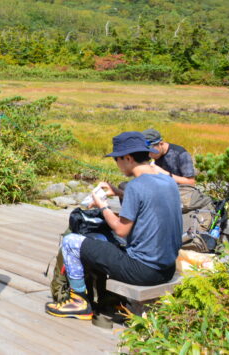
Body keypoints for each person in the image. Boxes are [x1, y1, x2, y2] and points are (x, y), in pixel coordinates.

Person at [46, 131, 182, 320]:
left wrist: (103, 206)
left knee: (71, 242)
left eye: (116, 160)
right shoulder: (167, 181)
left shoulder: (136, 185)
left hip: (142, 270)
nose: (117, 165)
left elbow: (121, 230)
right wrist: (118, 192)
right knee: (102, 241)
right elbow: (148, 201)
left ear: (127, 158)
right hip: (166, 268)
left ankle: (79, 302)